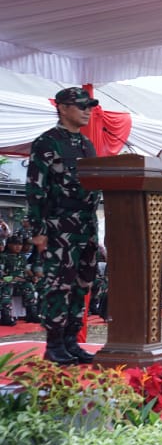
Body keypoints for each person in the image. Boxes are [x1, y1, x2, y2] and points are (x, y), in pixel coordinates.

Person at [25, 86, 101, 364]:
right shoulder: (47, 142)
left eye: (89, 106)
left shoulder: (86, 145)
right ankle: (54, 345)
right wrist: (38, 231)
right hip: (59, 227)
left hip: (86, 226)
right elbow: (35, 188)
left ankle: (71, 342)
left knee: (82, 285)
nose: (87, 111)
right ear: (62, 108)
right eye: (81, 106)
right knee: (58, 285)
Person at [1, 236, 41, 325]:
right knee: (7, 287)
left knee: (29, 286)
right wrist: (11, 278)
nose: (18, 247)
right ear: (9, 245)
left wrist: (33, 277)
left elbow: (26, 269)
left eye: (20, 244)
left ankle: (31, 314)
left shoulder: (22, 257)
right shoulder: (3, 256)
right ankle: (5, 316)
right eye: (15, 244)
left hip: (20, 282)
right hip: (6, 281)